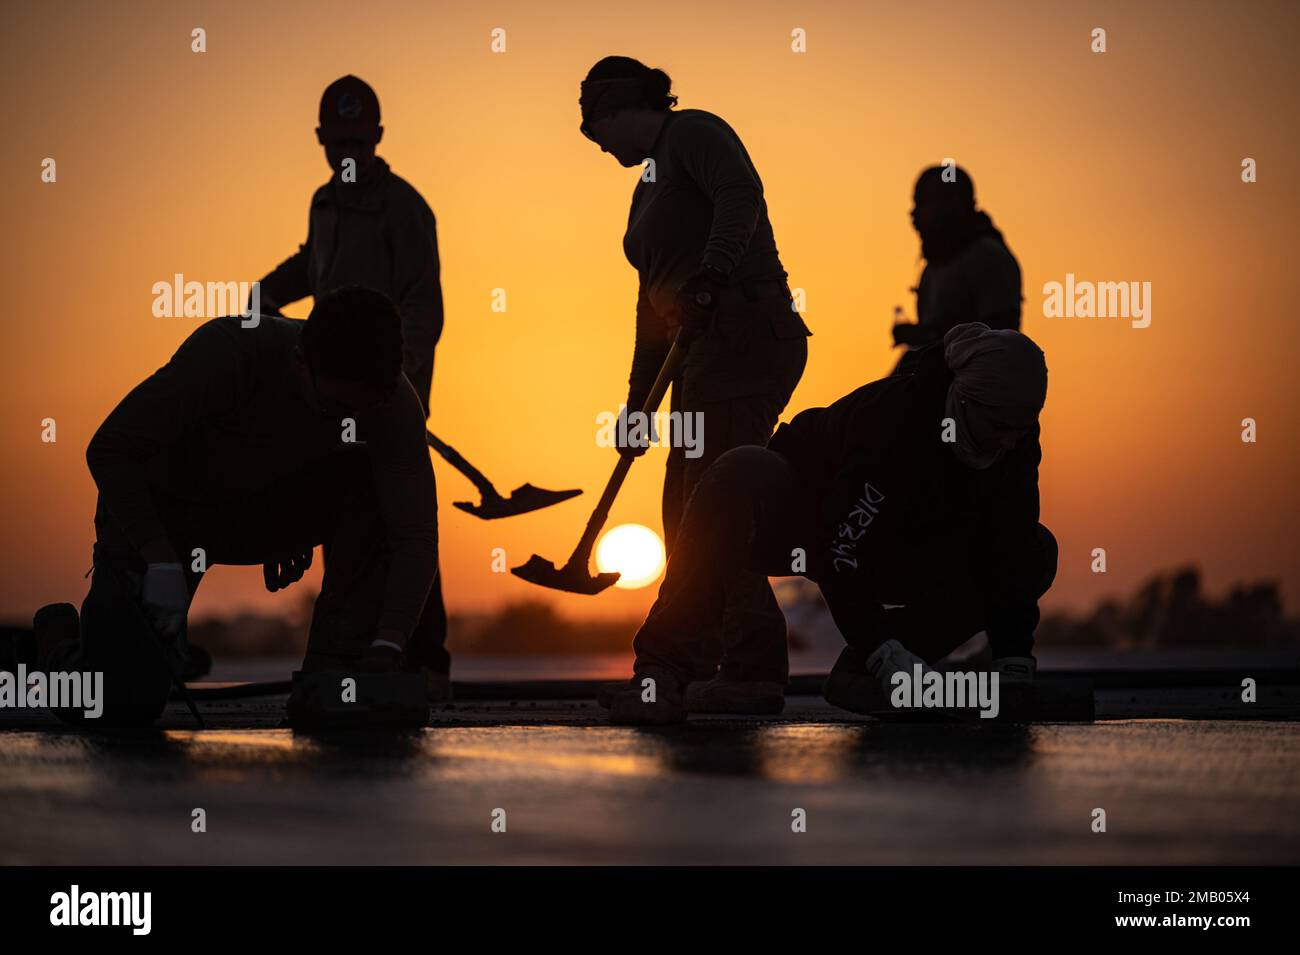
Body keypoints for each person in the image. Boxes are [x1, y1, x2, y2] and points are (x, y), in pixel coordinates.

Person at [607, 322, 1055, 725]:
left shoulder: (1013, 434)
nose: (1005, 440)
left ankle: (864, 674)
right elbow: (840, 548)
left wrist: (1014, 660)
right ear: (962, 397)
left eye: (1017, 429)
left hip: (909, 547)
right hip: (811, 528)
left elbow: (1011, 543)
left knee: (1037, 549)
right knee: (739, 472)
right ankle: (662, 674)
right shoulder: (893, 421)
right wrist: (880, 647)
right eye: (995, 425)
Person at [34, 288, 440, 727]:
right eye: (336, 406)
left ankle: (337, 668)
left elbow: (413, 534)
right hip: (165, 514)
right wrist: (161, 562)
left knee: (378, 486)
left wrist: (390, 644)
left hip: (260, 511)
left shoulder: (392, 404)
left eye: (365, 408)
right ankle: (61, 647)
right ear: (301, 362)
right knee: (118, 703)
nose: (349, 419)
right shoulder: (229, 354)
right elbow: (110, 449)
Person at [579, 55, 811, 694]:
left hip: (744, 338)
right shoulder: (647, 186)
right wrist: (637, 404)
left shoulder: (695, 133)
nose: (595, 143)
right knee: (684, 514)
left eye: (595, 126)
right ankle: (706, 662)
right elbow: (651, 303)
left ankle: (749, 672)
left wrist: (712, 274)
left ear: (624, 109)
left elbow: (742, 194)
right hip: (697, 354)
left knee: (715, 509)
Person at [256, 74, 451, 690]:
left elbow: (424, 305)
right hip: (330, 387)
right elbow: (312, 266)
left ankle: (424, 657)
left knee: (405, 514)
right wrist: (258, 298)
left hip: (388, 387)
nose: (346, 154)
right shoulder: (324, 203)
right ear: (321, 140)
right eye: (336, 143)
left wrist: (401, 382)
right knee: (346, 507)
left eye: (357, 142)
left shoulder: (405, 209)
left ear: (377, 138)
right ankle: (354, 646)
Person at [891, 166, 1021, 375]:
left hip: (975, 395)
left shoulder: (988, 257)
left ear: (951, 205)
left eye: (922, 203)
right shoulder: (932, 267)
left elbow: (998, 339)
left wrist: (927, 336)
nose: (913, 214)